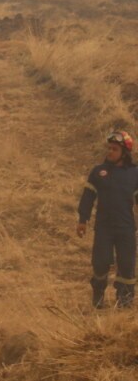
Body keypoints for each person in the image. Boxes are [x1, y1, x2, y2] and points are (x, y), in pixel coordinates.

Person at [76, 130, 138, 308]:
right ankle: (98, 295)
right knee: (101, 263)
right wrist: (82, 220)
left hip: (126, 229)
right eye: (109, 148)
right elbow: (87, 197)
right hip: (104, 228)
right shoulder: (98, 172)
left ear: (124, 153)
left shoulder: (134, 173)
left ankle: (124, 302)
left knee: (126, 265)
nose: (110, 151)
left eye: (115, 149)